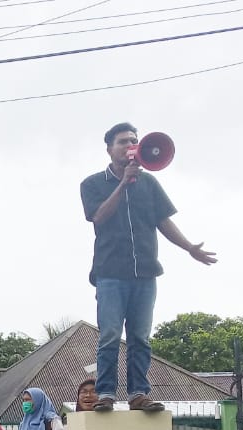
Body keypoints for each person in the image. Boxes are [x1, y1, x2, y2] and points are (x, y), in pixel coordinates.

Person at [80, 122, 217, 413]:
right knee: (110, 335)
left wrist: (189, 247)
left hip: (145, 273)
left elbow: (163, 221)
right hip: (110, 274)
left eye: (134, 140)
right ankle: (105, 394)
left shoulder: (149, 183)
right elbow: (99, 216)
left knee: (140, 337)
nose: (130, 145)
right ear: (109, 148)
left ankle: (138, 393)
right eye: (123, 141)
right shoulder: (92, 183)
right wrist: (123, 183)